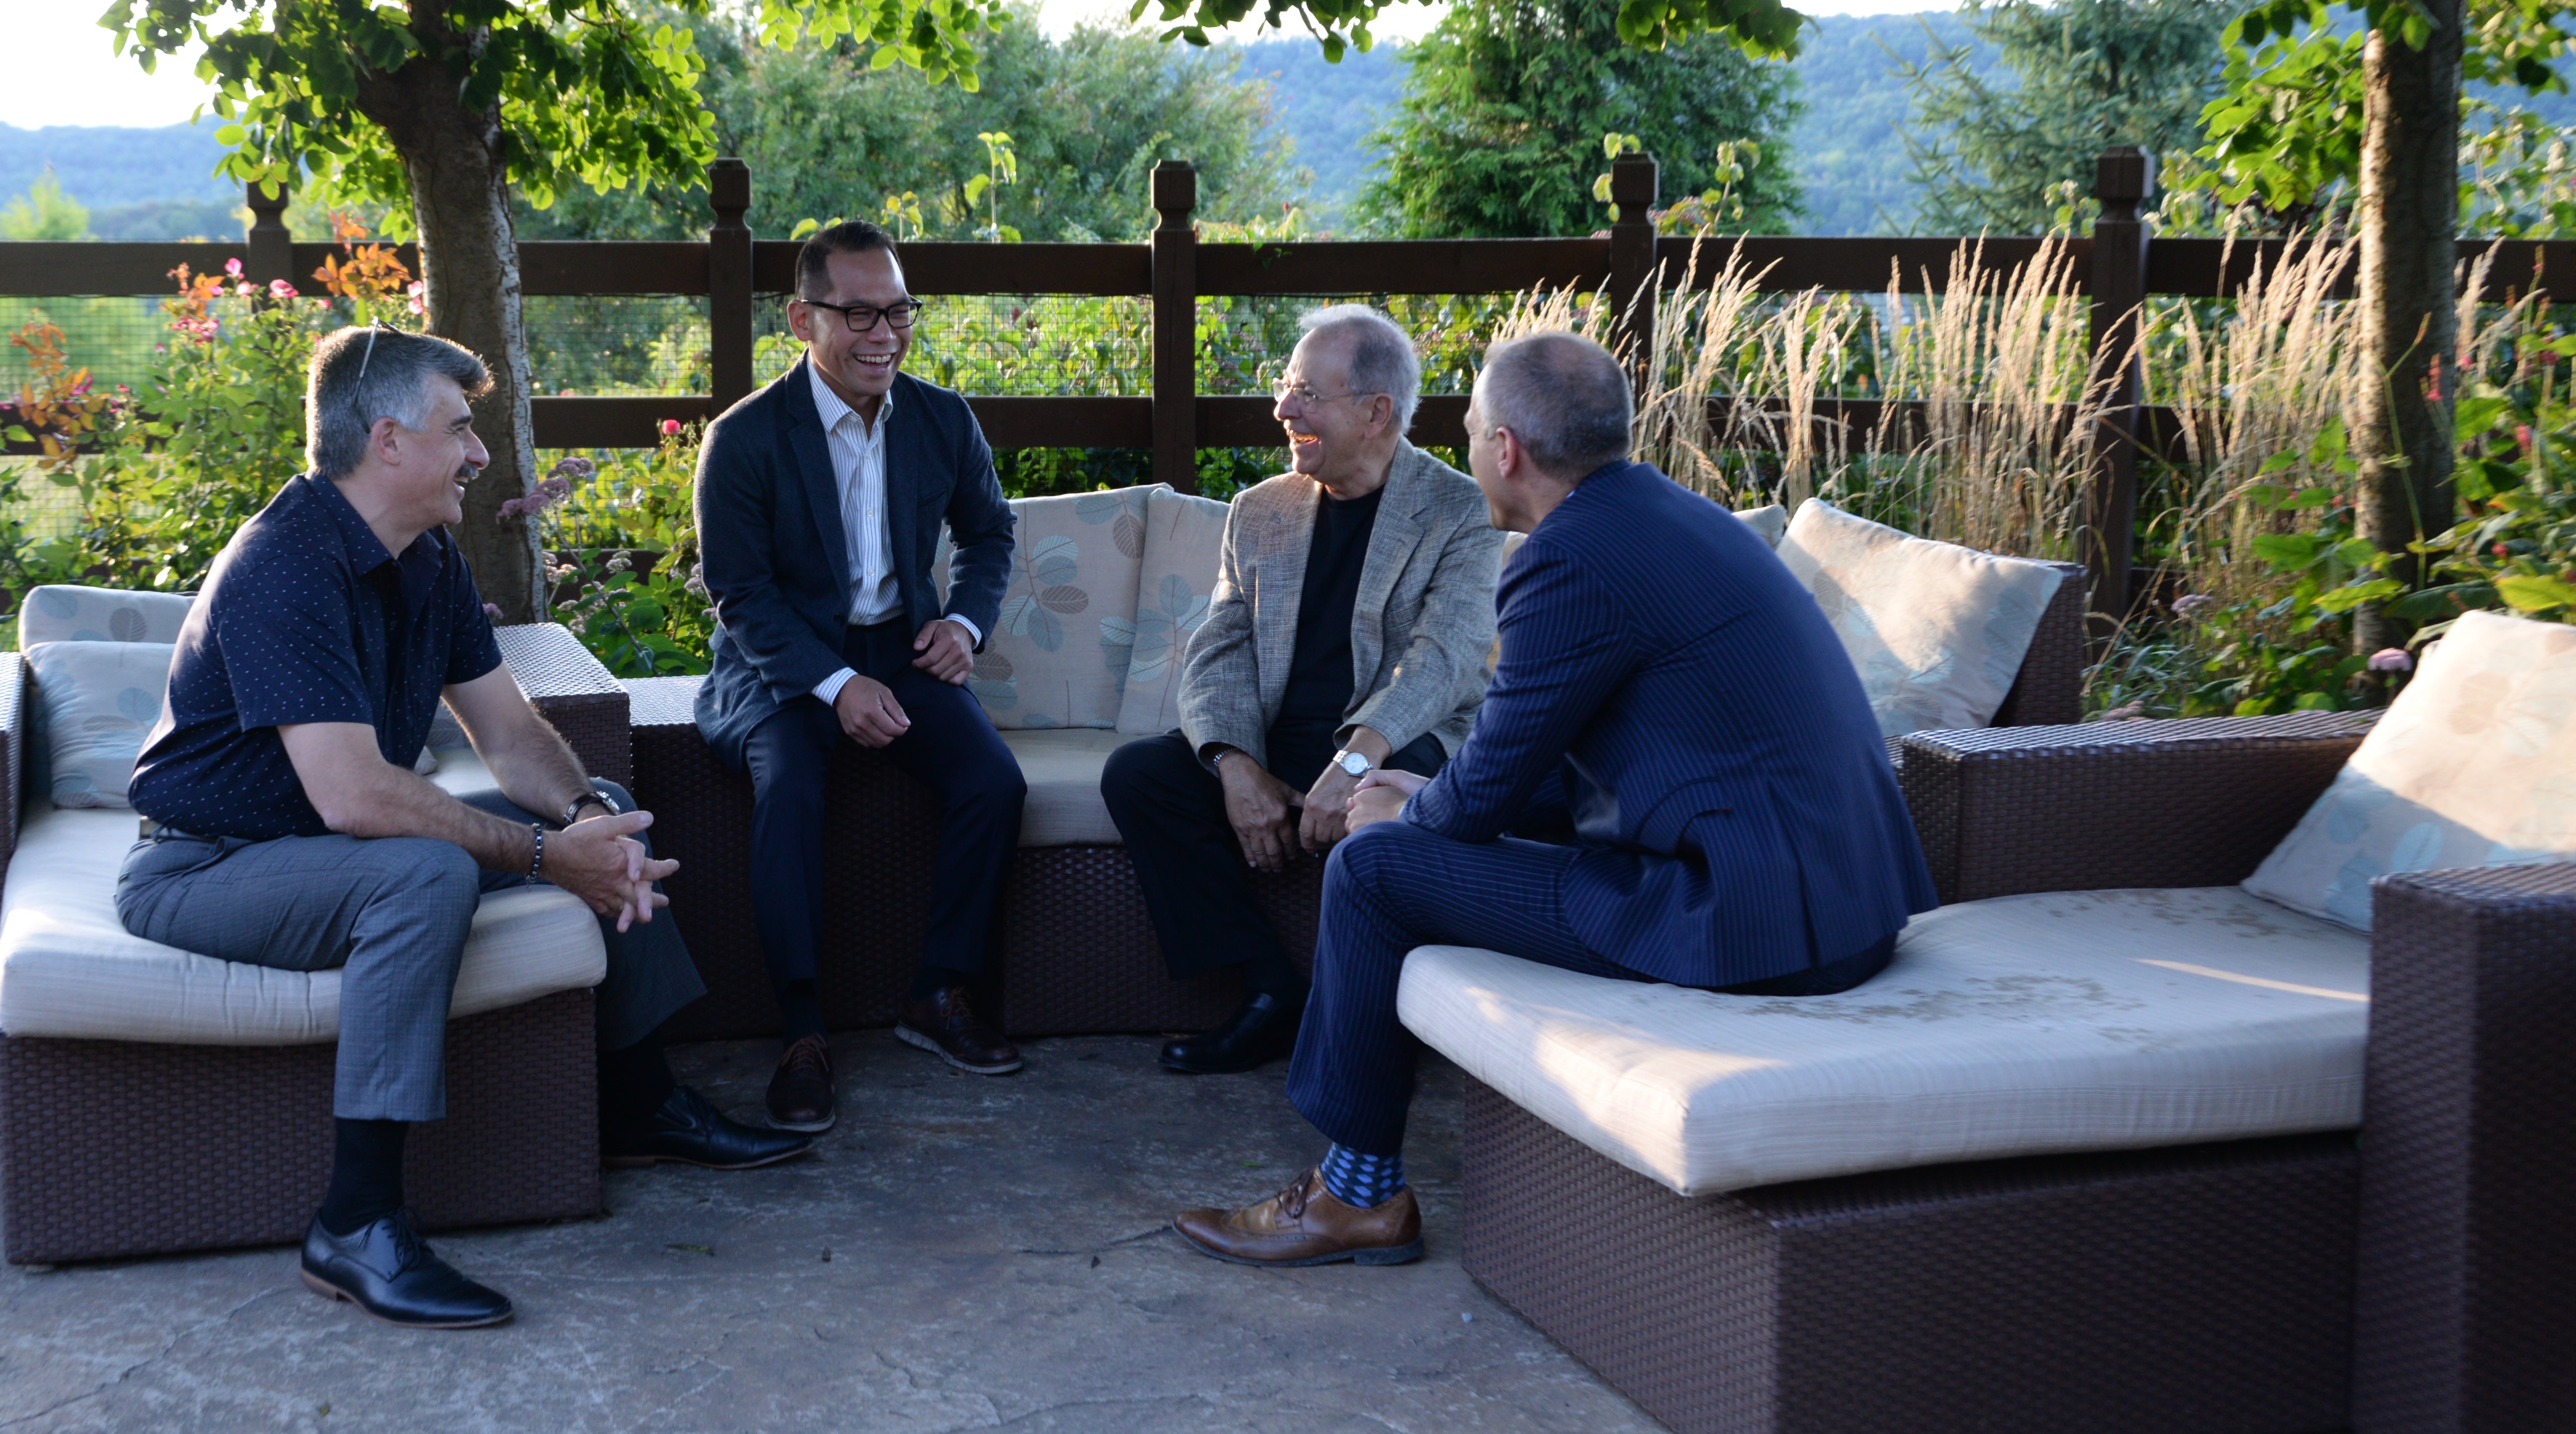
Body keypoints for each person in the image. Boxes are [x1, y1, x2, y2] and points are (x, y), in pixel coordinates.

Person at [1173, 327, 1935, 1267]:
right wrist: (1425, 791)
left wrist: (1406, 809)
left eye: (1469, 429)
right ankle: (1355, 1180)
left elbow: (1483, 794)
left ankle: (1354, 1193)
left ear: (1507, 451)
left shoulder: (1565, 557)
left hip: (1744, 920)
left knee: (1373, 872)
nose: (1460, 447)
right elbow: (1528, 761)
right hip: (1843, 899)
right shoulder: (1664, 516)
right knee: (1412, 825)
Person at [121, 322, 808, 1332]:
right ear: (387, 439)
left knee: (608, 809)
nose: (482, 452)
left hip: (324, 845)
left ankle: (638, 1105)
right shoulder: (285, 566)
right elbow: (354, 795)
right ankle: (353, 1224)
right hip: (209, 865)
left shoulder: (425, 557)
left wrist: (577, 821)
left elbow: (509, 733)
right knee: (421, 876)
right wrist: (542, 858)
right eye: (460, 427)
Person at [690, 220, 1027, 1135]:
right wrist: (835, 686)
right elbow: (740, 594)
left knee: (994, 781)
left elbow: (991, 532)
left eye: (899, 310)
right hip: (781, 665)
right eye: (859, 314)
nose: (884, 334)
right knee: (792, 781)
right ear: (803, 319)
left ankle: (937, 993)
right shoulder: (745, 439)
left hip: (903, 651)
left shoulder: (941, 417)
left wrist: (963, 622)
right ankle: (803, 1031)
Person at [1100, 305, 1499, 1075]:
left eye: (1307, 394)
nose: (1283, 409)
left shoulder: (1458, 511)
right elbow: (1218, 653)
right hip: (1282, 737)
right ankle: (1268, 987)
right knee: (1142, 776)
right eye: (1286, 387)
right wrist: (1232, 764)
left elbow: (1443, 659)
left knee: (1392, 799)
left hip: (1397, 737)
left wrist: (1353, 765)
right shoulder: (1261, 511)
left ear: (1376, 411)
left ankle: (1376, 1030)